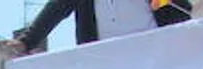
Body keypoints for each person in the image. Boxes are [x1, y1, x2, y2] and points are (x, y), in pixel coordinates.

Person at [14, 0, 193, 52]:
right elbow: (56, 9)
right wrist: (26, 42)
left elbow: (179, 11)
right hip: (104, 68)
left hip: (155, 61)